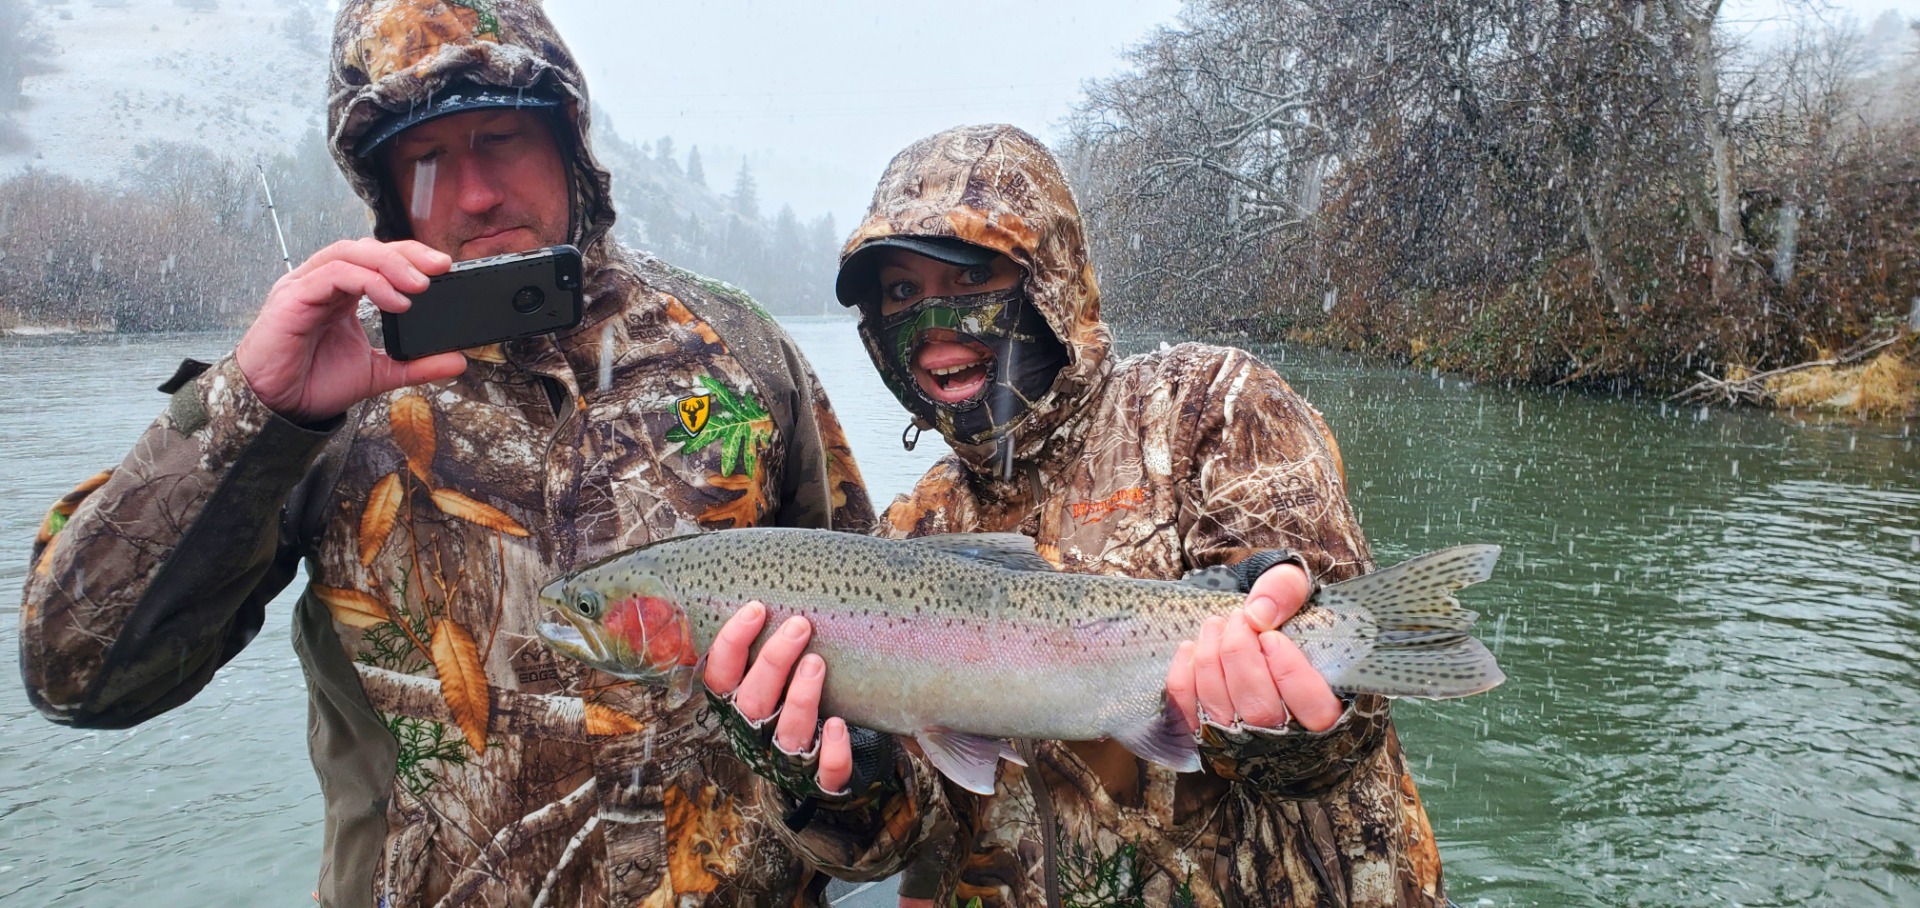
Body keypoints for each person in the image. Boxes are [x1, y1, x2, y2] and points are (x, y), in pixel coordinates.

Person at [18, 0, 875, 904]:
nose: (475, 193)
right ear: (386, 189)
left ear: (567, 139)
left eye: (501, 139)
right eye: (429, 160)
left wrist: (852, 791)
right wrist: (253, 412)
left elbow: (872, 655)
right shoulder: (319, 386)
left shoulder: (738, 348)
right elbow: (78, 677)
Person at [702, 124, 1450, 906]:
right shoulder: (911, 531)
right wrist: (834, 777)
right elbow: (906, 840)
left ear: (1048, 283)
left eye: (967, 279)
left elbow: (1346, 730)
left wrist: (1280, 687)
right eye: (901, 293)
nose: (931, 324)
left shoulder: (1205, 405)